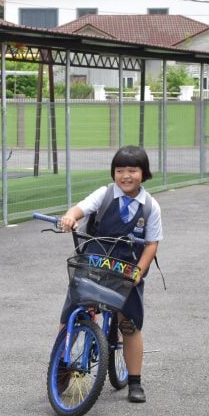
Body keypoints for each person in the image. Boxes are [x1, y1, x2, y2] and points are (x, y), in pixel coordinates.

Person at [57, 145, 162, 403]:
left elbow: (152, 244)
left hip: (128, 270)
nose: (126, 176)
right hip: (94, 264)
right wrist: (70, 217)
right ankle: (60, 364)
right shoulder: (103, 195)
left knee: (130, 323)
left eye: (132, 170)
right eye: (120, 170)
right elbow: (79, 209)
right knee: (71, 310)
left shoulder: (150, 207)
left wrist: (138, 272)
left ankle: (135, 381)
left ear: (144, 173)